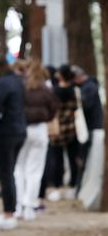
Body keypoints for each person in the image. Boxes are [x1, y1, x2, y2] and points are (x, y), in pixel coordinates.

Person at [0, 56, 26, 230]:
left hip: (5, 132)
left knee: (5, 172)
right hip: (19, 130)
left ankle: (8, 213)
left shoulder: (2, 84)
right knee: (10, 172)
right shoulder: (17, 81)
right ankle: (12, 211)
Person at [13, 60, 58, 221]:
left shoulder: (21, 87)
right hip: (39, 129)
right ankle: (29, 206)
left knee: (19, 168)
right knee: (35, 171)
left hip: (22, 129)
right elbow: (53, 110)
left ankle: (18, 206)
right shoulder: (47, 90)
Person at [47, 65, 80, 202]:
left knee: (56, 158)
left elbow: (52, 109)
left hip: (57, 128)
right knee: (73, 158)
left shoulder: (55, 91)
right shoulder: (74, 90)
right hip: (72, 128)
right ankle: (73, 185)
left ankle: (57, 186)